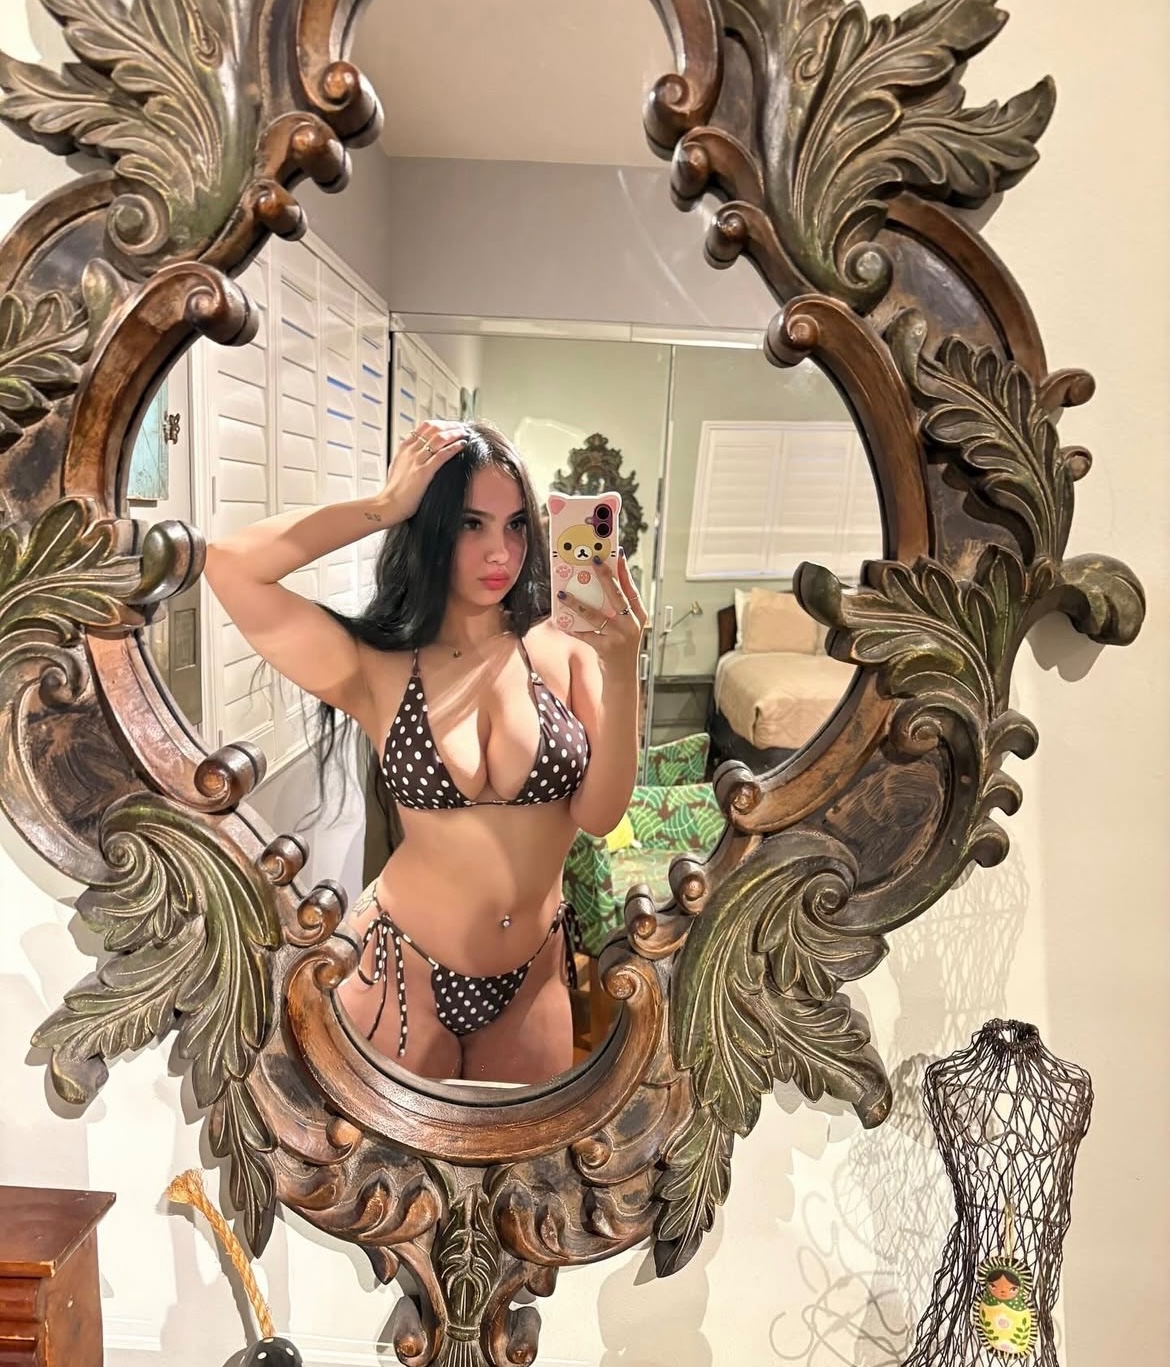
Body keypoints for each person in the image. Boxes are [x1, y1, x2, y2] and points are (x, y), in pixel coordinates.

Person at [203, 419, 646, 1084]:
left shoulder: (566, 648)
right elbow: (231, 565)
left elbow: (601, 815)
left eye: (516, 525)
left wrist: (624, 666)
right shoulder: (379, 666)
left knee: (522, 1153)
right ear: (431, 527)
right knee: (379, 1153)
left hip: (532, 977)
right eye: (471, 524)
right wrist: (385, 506)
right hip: (397, 964)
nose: (500, 551)